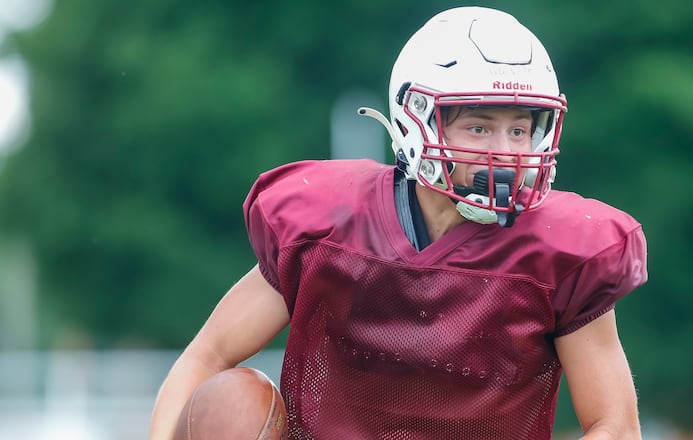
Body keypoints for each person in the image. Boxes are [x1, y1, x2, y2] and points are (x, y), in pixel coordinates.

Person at [149, 6, 647, 440]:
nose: (507, 150)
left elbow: (616, 426)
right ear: (416, 119)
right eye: (479, 126)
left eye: (520, 129)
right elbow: (207, 356)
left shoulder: (562, 251)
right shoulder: (328, 224)